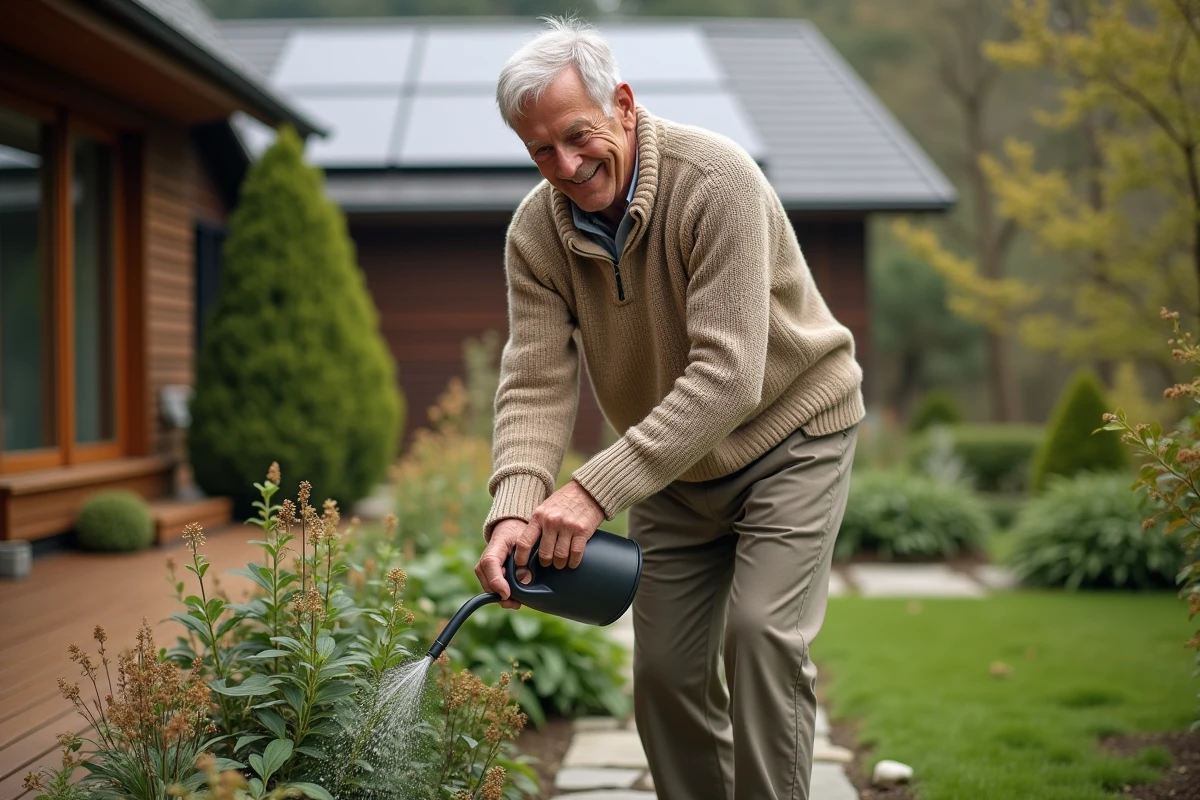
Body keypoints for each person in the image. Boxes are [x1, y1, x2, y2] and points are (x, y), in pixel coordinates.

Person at [473, 16, 864, 800]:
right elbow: (535, 380)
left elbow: (728, 376)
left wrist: (589, 491)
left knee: (760, 638)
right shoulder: (534, 235)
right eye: (541, 150)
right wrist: (514, 507)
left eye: (578, 135)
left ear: (622, 101)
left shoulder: (715, 181)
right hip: (676, 468)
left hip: (792, 434)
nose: (568, 164)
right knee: (664, 674)